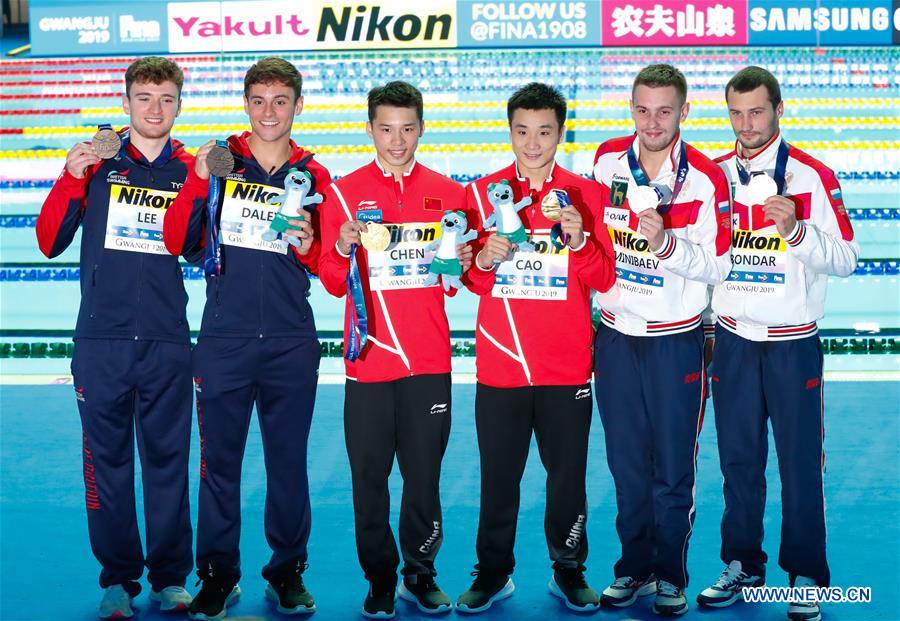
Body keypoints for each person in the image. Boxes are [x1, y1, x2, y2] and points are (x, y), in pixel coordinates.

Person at [163, 56, 330, 620]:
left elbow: (328, 266)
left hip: (290, 339)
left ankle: (287, 572)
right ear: (246, 104)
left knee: (288, 464)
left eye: (280, 101)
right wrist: (197, 180)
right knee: (218, 465)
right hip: (224, 340)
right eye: (258, 101)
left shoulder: (315, 175)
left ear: (298, 105)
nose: (269, 112)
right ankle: (217, 574)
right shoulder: (220, 163)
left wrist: (310, 245)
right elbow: (176, 241)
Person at [696, 66, 858, 621]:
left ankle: (806, 573)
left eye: (757, 112)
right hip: (733, 342)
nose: (746, 124)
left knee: (799, 465)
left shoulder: (813, 176)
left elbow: (847, 259)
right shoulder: (712, 176)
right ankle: (742, 563)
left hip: (792, 346)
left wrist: (796, 232)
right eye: (736, 114)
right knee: (738, 463)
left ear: (779, 109)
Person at [36, 56, 195, 619]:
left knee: (168, 464)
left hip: (167, 342)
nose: (155, 108)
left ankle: (171, 578)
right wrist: (70, 178)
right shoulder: (97, 162)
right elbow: (48, 242)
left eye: (166, 98)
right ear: (125, 102)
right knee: (106, 466)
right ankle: (119, 579)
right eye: (144, 97)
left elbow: (202, 249)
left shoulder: (191, 170)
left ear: (179, 105)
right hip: (101, 343)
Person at [454, 82, 617, 614]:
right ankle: (492, 572)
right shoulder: (481, 194)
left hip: (565, 366)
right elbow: (468, 280)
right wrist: (484, 260)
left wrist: (580, 241)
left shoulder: (587, 195)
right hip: (502, 364)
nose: (532, 143)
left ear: (560, 133)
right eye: (522, 131)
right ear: (510, 132)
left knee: (567, 479)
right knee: (498, 478)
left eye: (544, 132)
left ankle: (568, 569)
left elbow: (604, 277)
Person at [317, 80, 469, 619]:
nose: (397, 140)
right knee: (369, 481)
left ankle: (420, 574)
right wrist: (340, 247)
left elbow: (459, 281)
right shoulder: (342, 194)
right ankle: (380, 578)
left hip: (428, 362)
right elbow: (331, 281)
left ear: (421, 128)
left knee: (424, 478)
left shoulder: (450, 195)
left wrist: (464, 261)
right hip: (369, 362)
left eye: (407, 129)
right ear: (370, 130)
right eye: (386, 129)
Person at [591, 64, 732, 616]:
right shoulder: (606, 160)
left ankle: (670, 574)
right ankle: (634, 567)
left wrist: (666, 244)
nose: (653, 122)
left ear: (684, 112)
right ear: (631, 108)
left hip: (675, 344)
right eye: (643, 110)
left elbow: (719, 266)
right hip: (615, 338)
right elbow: (596, 242)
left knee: (673, 467)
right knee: (626, 466)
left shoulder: (706, 179)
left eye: (665, 111)